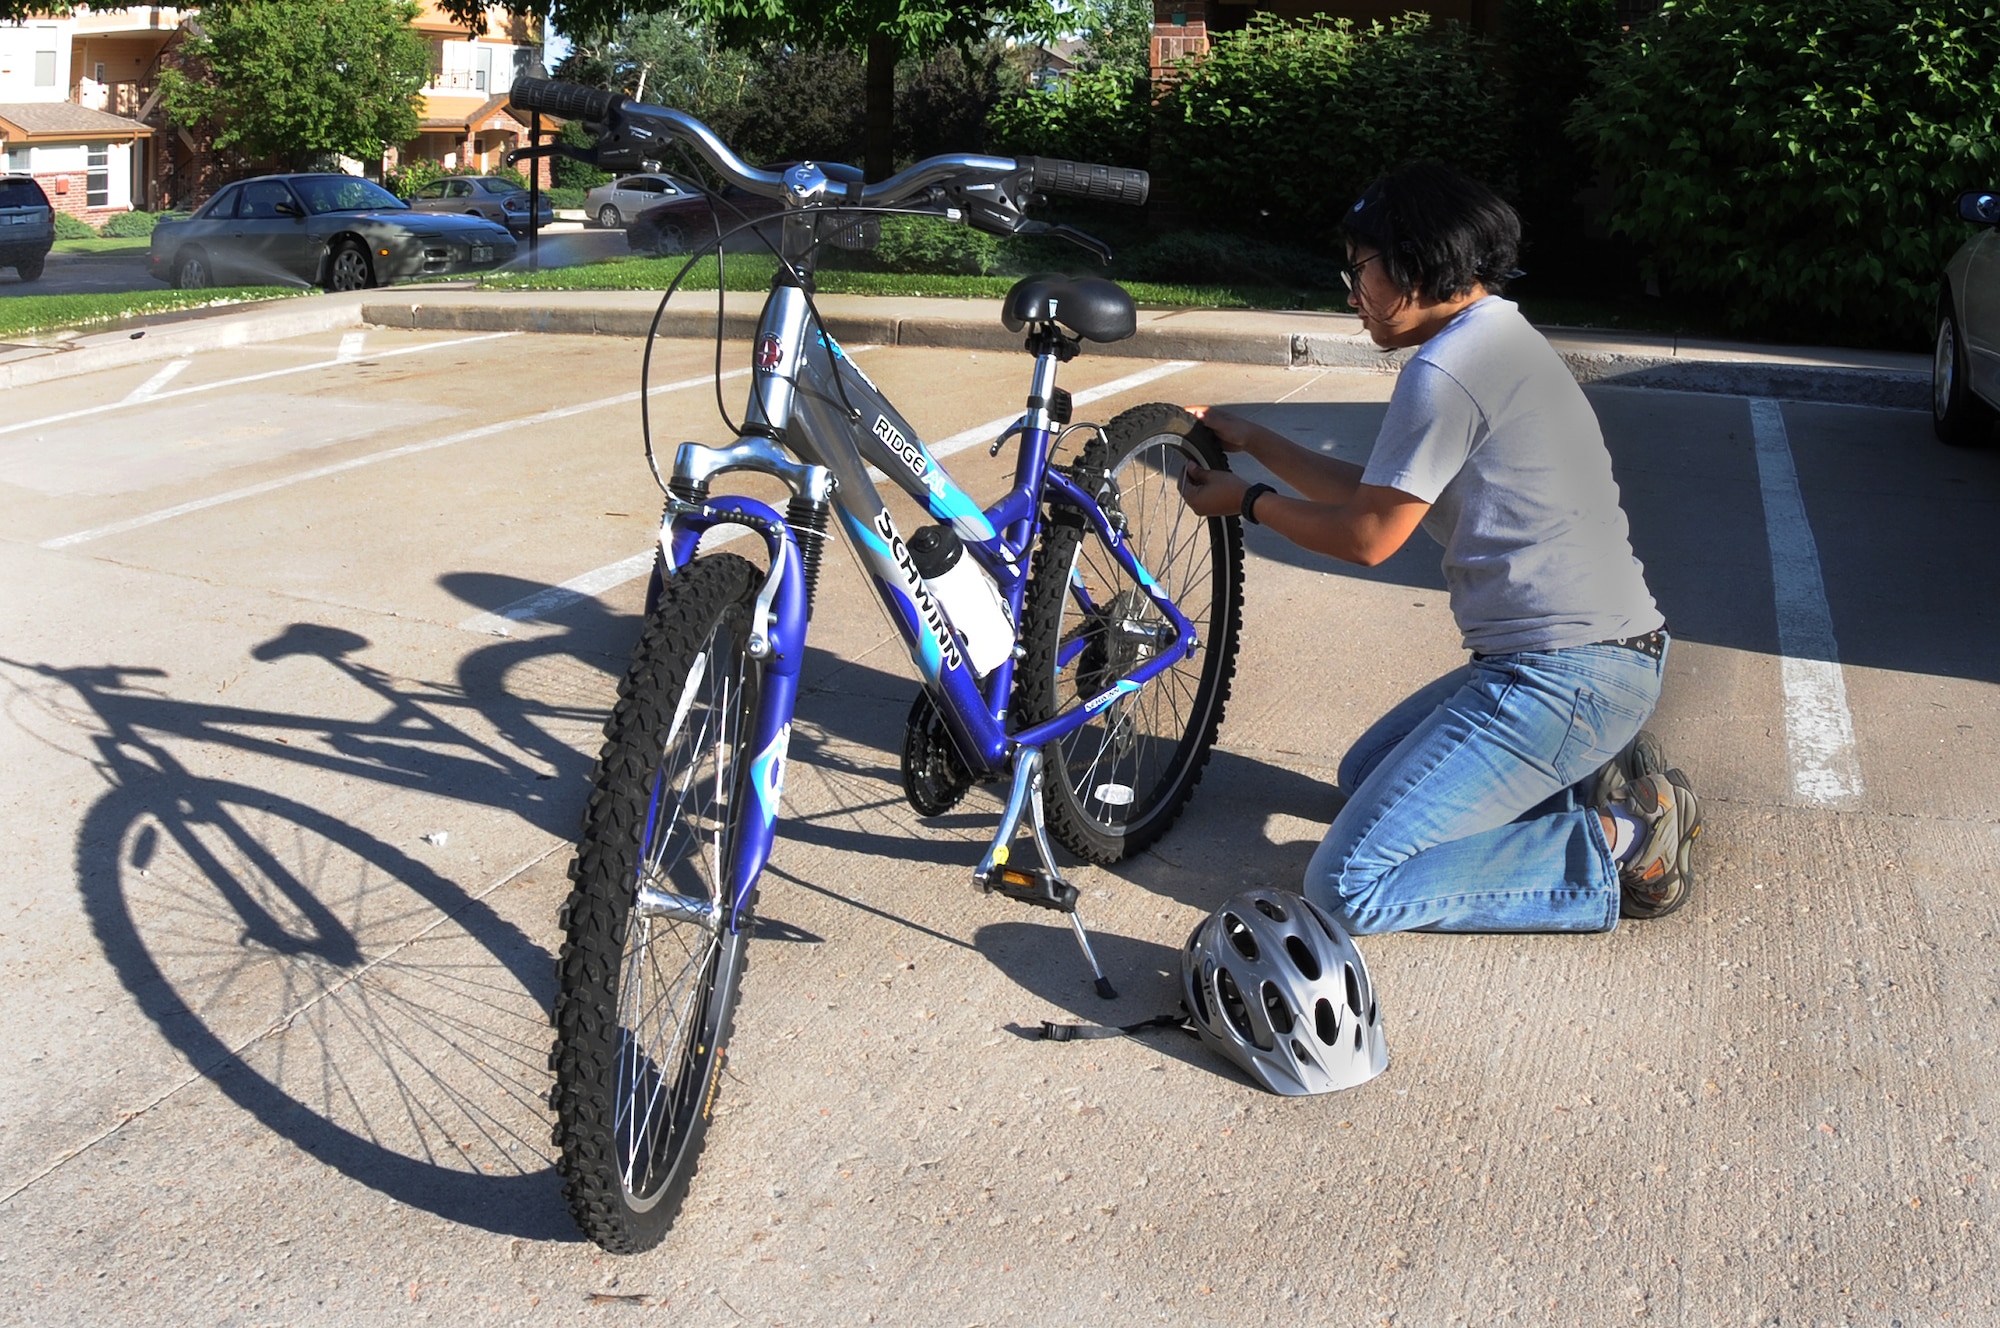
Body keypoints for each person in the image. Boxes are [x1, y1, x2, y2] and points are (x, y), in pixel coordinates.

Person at [1176, 162, 1701, 933]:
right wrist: (1256, 440)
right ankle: (1587, 771)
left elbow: (1368, 537)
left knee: (1347, 885)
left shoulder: (1448, 369)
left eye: (1359, 268)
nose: (1350, 292)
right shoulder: (1493, 338)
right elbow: (1384, 494)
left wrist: (1247, 501)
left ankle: (1626, 841)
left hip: (1565, 678)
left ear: (1416, 261)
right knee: (1362, 777)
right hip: (1580, 663)